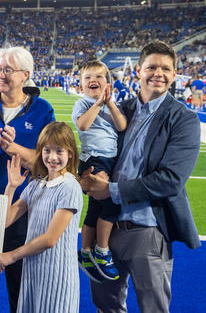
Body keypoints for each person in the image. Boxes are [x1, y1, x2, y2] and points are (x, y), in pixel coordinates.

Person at [81, 40, 201, 313]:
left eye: (165, 69)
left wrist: (110, 190)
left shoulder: (183, 119)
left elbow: (171, 179)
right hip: (107, 228)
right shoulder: (120, 109)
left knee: (153, 308)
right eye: (151, 67)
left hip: (147, 231)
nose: (158, 73)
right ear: (138, 70)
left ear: (174, 75)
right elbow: (94, 146)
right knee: (106, 306)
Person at [0, 46, 54, 312]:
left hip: (22, 211)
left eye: (8, 70)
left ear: (26, 75)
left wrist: (12, 148)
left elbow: (49, 162)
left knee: (20, 288)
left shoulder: (42, 110)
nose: (1, 74)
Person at [0, 121, 83, 313]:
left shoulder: (70, 187)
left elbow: (50, 239)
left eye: (59, 151)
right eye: (47, 150)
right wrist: (11, 187)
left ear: (70, 153)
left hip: (57, 277)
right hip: (33, 273)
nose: (52, 157)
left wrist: (11, 256)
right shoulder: (35, 185)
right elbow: (5, 220)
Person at [72, 60, 127, 283]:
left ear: (108, 84)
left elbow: (122, 126)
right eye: (88, 78)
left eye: (99, 77)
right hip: (93, 159)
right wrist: (97, 104)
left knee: (95, 207)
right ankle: (102, 251)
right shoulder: (83, 104)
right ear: (81, 85)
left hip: (110, 159)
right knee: (112, 201)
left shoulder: (112, 105)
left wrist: (110, 104)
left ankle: (85, 251)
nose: (93, 80)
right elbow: (83, 126)